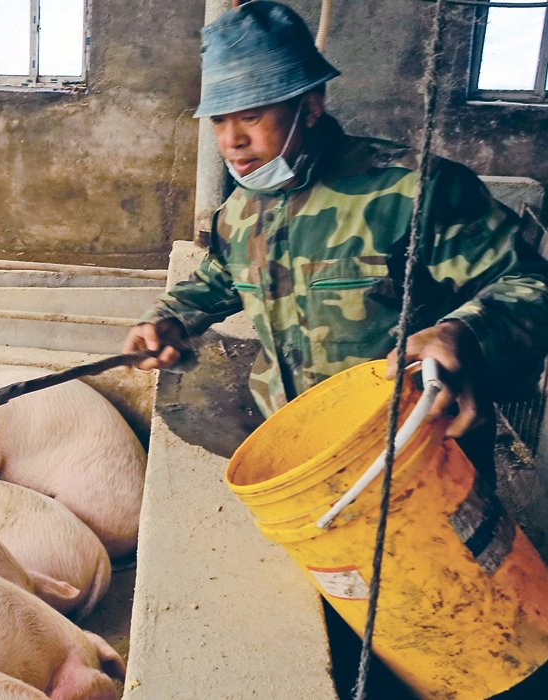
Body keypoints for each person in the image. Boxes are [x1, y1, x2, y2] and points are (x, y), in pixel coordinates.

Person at [123, 0, 548, 478]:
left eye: (252, 116)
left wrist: (461, 332)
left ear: (309, 107)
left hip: (417, 453)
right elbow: (223, 275)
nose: (232, 140)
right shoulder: (240, 210)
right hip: (297, 442)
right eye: (220, 119)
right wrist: (169, 315)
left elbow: (531, 284)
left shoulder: (411, 190)